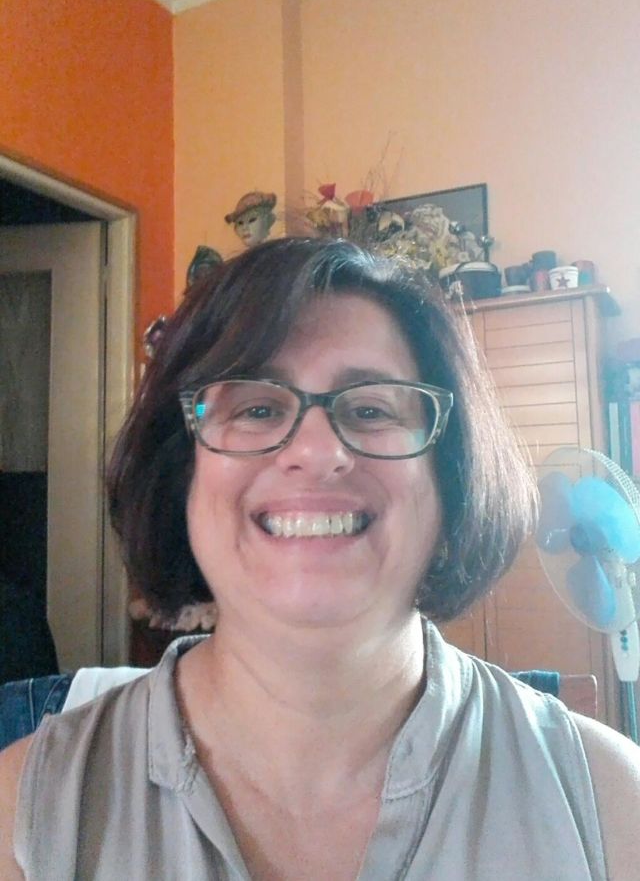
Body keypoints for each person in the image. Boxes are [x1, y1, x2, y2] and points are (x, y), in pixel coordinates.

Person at [0, 237, 638, 880]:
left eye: (370, 409)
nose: (318, 452)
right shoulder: (22, 813)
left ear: (450, 476)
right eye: (256, 409)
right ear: (180, 474)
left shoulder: (613, 803)